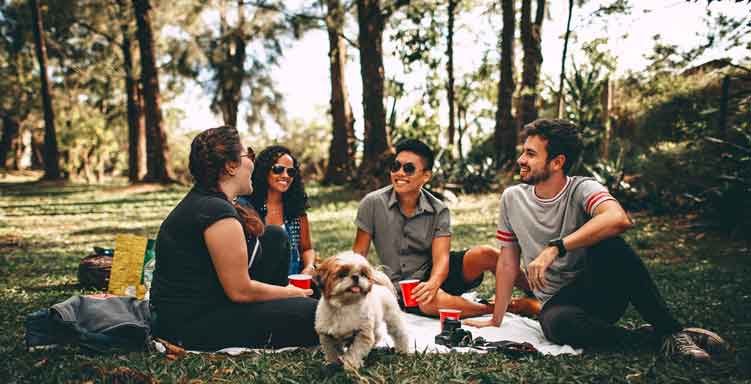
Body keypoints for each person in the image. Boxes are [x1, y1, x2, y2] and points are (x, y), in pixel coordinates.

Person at [465, 118, 724, 361]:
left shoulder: (583, 188)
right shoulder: (512, 198)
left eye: (531, 154)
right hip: (559, 305)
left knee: (610, 242)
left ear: (557, 162)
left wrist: (556, 247)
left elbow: (618, 218)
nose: (521, 159)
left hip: (600, 291)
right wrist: (495, 319)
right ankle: (652, 338)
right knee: (555, 325)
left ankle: (672, 331)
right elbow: (508, 263)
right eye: (524, 152)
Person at [149, 126, 318, 350]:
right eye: (249, 155)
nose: (253, 162)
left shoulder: (213, 201)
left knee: (274, 236)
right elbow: (240, 290)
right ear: (230, 166)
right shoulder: (215, 212)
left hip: (214, 301)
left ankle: (285, 307)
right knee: (318, 315)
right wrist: (290, 293)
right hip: (193, 324)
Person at [352, 139, 530, 318]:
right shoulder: (372, 203)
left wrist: (433, 283)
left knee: (487, 253)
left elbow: (441, 259)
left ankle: (536, 293)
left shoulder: (439, 209)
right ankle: (500, 308)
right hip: (403, 287)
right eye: (395, 166)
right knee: (428, 301)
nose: (399, 173)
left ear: (426, 176)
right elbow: (358, 255)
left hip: (437, 273)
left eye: (408, 168)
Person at [241, 145, 317, 276]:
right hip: (258, 283)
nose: (285, 175)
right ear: (264, 171)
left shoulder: (296, 209)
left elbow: (307, 249)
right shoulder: (246, 207)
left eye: (291, 172)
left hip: (292, 281)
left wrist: (309, 267)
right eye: (278, 169)